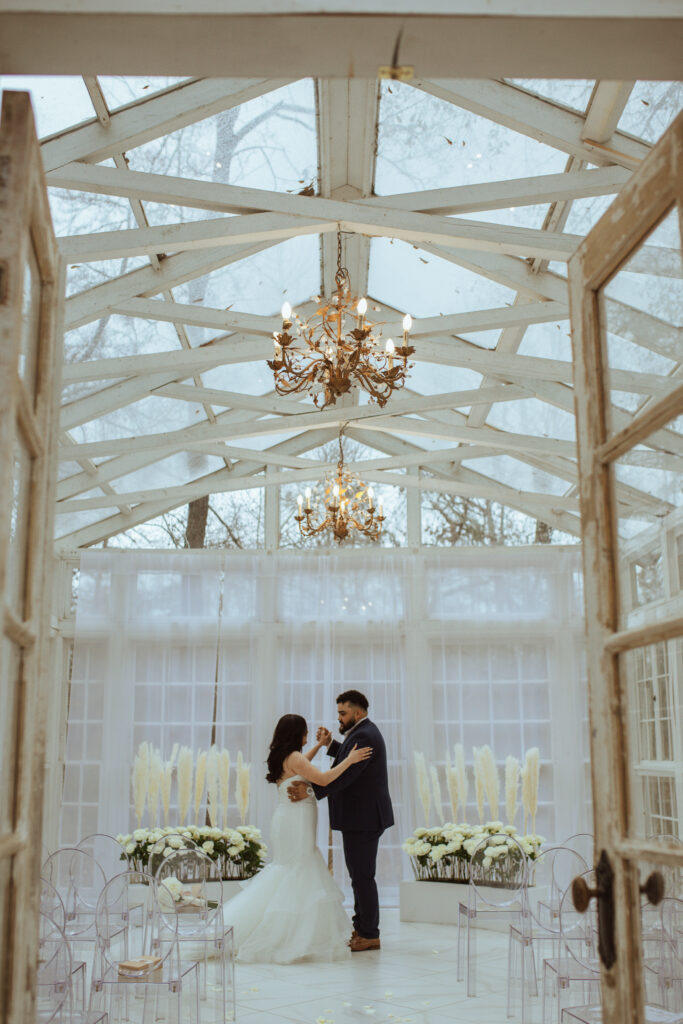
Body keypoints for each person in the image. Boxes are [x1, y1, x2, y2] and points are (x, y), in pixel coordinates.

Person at [222, 713, 371, 963]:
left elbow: (303, 765)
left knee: (291, 869)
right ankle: (290, 936)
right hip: (296, 821)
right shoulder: (294, 757)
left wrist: (320, 746)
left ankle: (289, 930)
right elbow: (322, 779)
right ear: (296, 734)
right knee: (299, 869)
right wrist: (350, 760)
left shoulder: (286, 756)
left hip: (288, 819)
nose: (306, 736)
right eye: (305, 732)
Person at [288, 690, 394, 952]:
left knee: (362, 877)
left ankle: (369, 933)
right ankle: (362, 926)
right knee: (359, 875)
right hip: (361, 817)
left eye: (343, 713)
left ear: (358, 713)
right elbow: (348, 759)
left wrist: (311, 790)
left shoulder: (365, 734)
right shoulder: (361, 732)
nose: (339, 717)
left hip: (364, 818)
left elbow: (349, 775)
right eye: (338, 713)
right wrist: (330, 744)